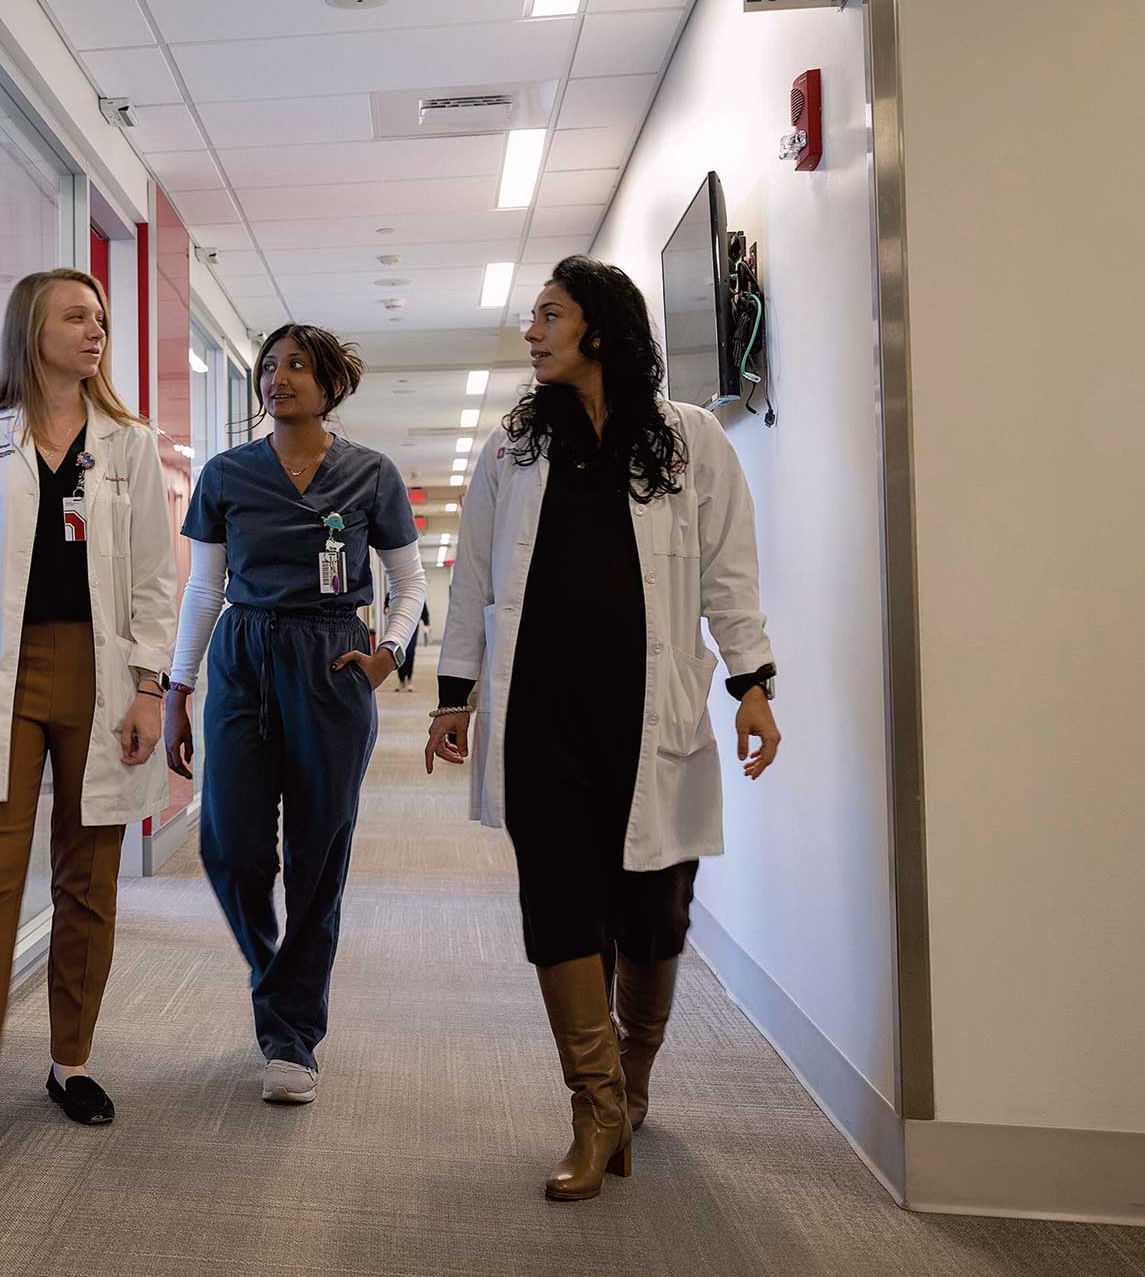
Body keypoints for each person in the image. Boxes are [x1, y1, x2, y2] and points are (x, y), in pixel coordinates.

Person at [429, 255, 782, 1201]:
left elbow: (728, 575)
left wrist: (754, 683)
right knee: (557, 903)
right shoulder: (512, 448)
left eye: (548, 315)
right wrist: (453, 697)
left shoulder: (692, 441)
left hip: (647, 709)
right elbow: (472, 584)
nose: (532, 332)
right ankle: (592, 1109)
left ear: (599, 326)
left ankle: (634, 1079)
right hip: (540, 710)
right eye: (532, 318)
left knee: (654, 911)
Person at [0, 268, 180, 1148]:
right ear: (33, 329)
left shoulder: (129, 445)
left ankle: (71, 1062)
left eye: (100, 316)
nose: (95, 328)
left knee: (86, 877)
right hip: (2, 675)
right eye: (76, 315)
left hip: (101, 678)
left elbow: (153, 579)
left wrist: (151, 689)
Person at [162, 324, 424, 1106]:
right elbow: (204, 589)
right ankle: (277, 978)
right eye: (269, 367)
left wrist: (388, 653)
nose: (279, 378)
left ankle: (290, 1036)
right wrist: (177, 689)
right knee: (231, 846)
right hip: (243, 657)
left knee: (318, 854)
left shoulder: (372, 475)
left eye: (298, 366)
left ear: (330, 384)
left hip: (332, 661)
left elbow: (407, 584)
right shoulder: (225, 474)